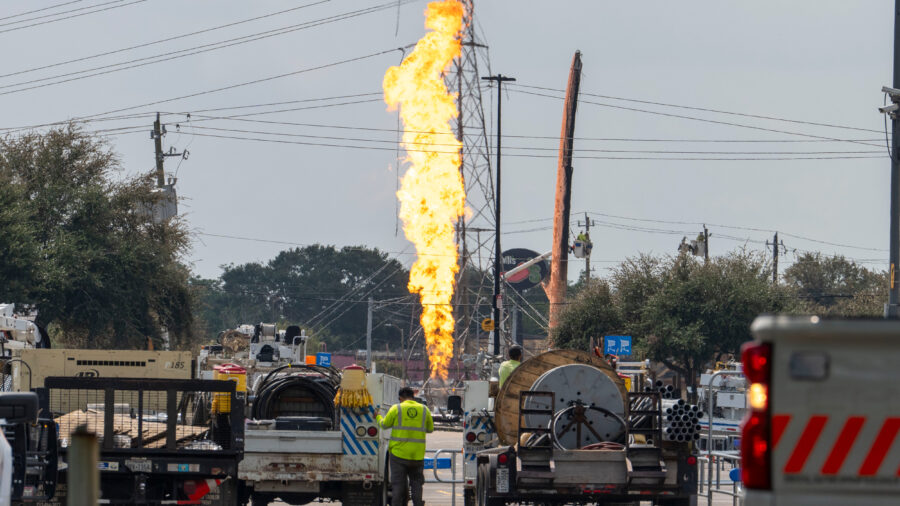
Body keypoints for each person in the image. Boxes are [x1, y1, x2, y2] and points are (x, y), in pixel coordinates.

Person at [378, 386, 434, 506]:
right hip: (417, 455)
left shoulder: (396, 408)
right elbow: (430, 429)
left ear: (400, 398)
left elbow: (384, 425)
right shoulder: (424, 409)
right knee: (417, 484)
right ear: (413, 396)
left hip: (399, 455)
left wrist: (377, 416)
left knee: (398, 485)